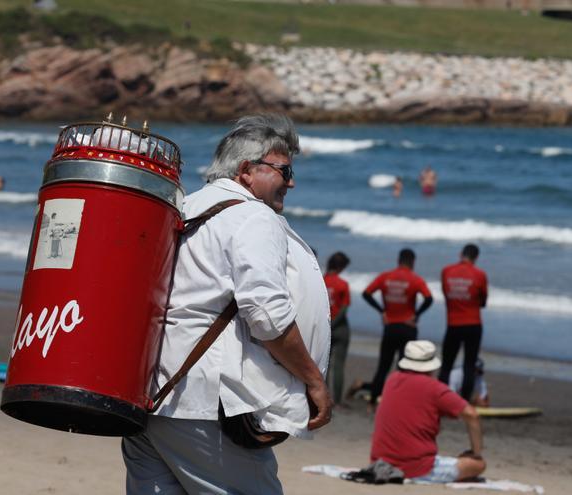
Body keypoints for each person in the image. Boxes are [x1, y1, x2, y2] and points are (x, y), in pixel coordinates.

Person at [121, 114, 333, 495]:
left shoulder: (184, 207)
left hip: (149, 394)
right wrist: (313, 380)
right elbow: (266, 314)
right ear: (248, 170)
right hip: (202, 403)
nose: (292, 182)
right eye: (284, 171)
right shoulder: (252, 216)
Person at [370, 340, 485, 483]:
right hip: (416, 468)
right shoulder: (435, 388)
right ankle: (473, 457)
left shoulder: (391, 380)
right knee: (478, 465)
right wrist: (477, 452)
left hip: (380, 462)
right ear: (431, 366)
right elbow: (471, 414)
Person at [353, 248, 433, 407]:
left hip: (390, 327)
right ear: (413, 262)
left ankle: (373, 402)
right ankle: (400, 401)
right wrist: (416, 315)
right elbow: (429, 299)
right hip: (408, 328)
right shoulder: (415, 279)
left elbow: (366, 293)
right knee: (405, 367)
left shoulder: (385, 277)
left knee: (383, 365)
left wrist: (382, 311)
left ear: (399, 260)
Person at [438, 244, 488, 402]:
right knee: (469, 364)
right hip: (473, 324)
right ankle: (464, 402)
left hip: (453, 323)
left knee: (446, 364)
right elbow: (483, 301)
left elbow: (446, 294)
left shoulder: (446, 271)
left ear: (461, 254)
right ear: (476, 258)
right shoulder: (480, 275)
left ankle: (441, 399)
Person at [324, 251, 351, 408]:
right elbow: (344, 308)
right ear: (341, 266)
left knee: (324, 364)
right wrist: (334, 324)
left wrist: (327, 325)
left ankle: (326, 399)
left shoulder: (320, 281)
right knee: (339, 365)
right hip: (340, 328)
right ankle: (339, 400)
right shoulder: (342, 284)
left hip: (324, 327)